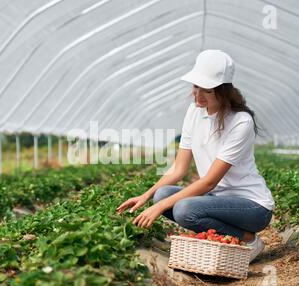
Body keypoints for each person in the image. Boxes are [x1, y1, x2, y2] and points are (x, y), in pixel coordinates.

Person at [116, 49, 275, 262]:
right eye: (195, 86)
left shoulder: (240, 121)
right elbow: (178, 169)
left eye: (206, 90)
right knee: (162, 194)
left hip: (252, 206)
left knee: (183, 209)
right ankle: (221, 234)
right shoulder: (194, 112)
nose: (198, 96)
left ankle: (248, 239)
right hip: (217, 200)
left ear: (224, 91)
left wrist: (160, 208)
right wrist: (146, 197)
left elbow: (209, 182)